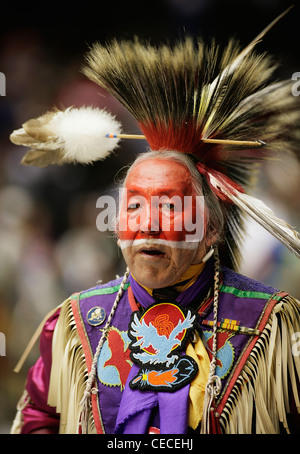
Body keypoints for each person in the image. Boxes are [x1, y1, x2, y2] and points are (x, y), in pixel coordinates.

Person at [10, 10, 300, 434]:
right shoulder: (77, 325)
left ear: (210, 230)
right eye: (133, 207)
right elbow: (39, 420)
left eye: (168, 207)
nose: (148, 224)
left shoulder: (267, 326)